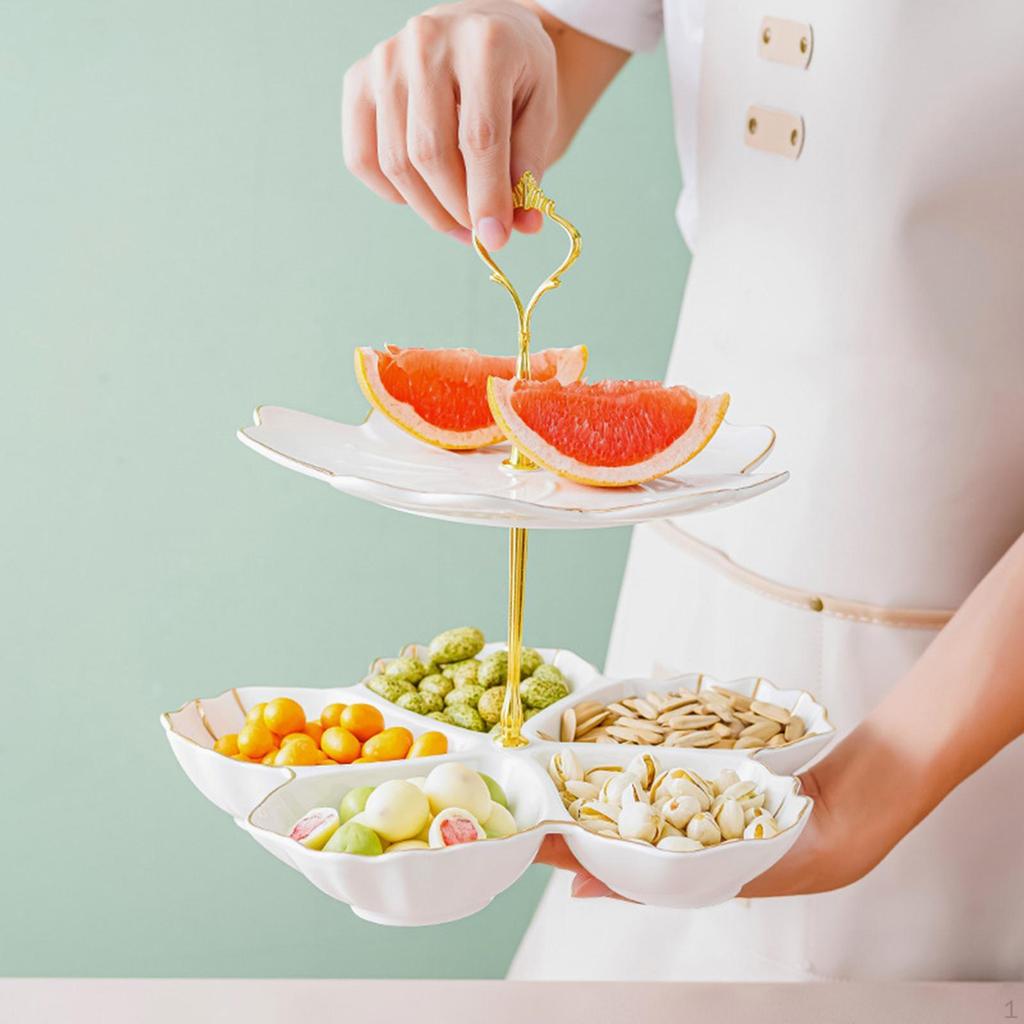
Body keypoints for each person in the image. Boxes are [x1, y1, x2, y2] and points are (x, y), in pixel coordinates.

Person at [342, 1, 1024, 980]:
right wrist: (498, 49)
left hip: (975, 706)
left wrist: (872, 790)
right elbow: (569, 39)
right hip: (680, 640)